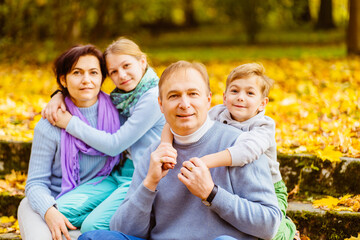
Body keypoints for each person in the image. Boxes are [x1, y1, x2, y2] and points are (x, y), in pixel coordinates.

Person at [79, 60, 282, 240]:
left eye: (193, 94)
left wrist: (211, 194)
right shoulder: (156, 153)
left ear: (208, 99)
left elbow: (269, 225)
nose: (184, 104)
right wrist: (149, 183)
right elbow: (124, 229)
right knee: (92, 237)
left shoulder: (240, 146)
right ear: (161, 104)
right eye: (174, 96)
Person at [37, 38, 165, 233]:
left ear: (142, 62)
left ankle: (134, 223)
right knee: (58, 209)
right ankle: (106, 213)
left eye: (127, 65)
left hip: (141, 177)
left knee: (93, 226)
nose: (122, 75)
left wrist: (69, 122)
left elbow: (115, 145)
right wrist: (59, 94)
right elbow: (85, 88)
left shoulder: (153, 98)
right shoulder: (123, 97)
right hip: (117, 175)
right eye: (113, 71)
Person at [161, 63, 297, 239]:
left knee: (271, 234)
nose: (240, 97)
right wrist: (165, 145)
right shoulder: (217, 113)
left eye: (250, 93)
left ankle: (289, 229)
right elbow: (174, 122)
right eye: (234, 91)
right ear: (224, 97)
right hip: (230, 180)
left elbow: (245, 151)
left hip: (268, 187)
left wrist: (204, 161)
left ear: (262, 103)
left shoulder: (264, 126)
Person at [18, 44, 121, 240]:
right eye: (77, 73)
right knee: (32, 215)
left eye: (93, 72)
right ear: (63, 79)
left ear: (102, 77)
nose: (86, 80)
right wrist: (50, 211)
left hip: (101, 203)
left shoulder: (120, 113)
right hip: (56, 204)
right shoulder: (50, 124)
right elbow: (36, 183)